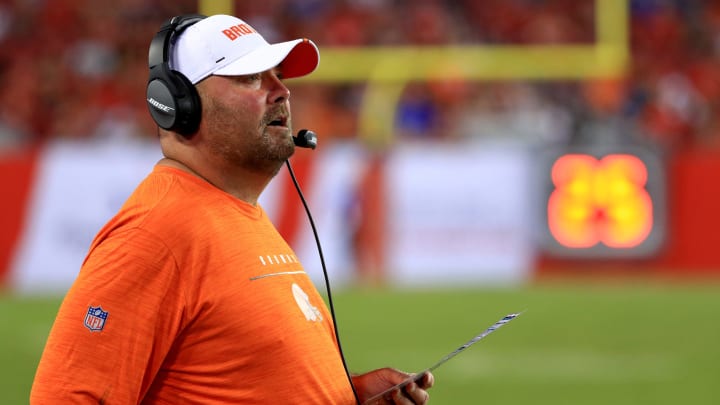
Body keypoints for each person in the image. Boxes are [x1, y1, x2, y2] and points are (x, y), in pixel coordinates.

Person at [29, 13, 433, 405]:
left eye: (280, 76)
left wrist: (348, 393)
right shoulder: (155, 232)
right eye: (252, 77)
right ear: (179, 103)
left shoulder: (237, 213)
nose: (282, 91)